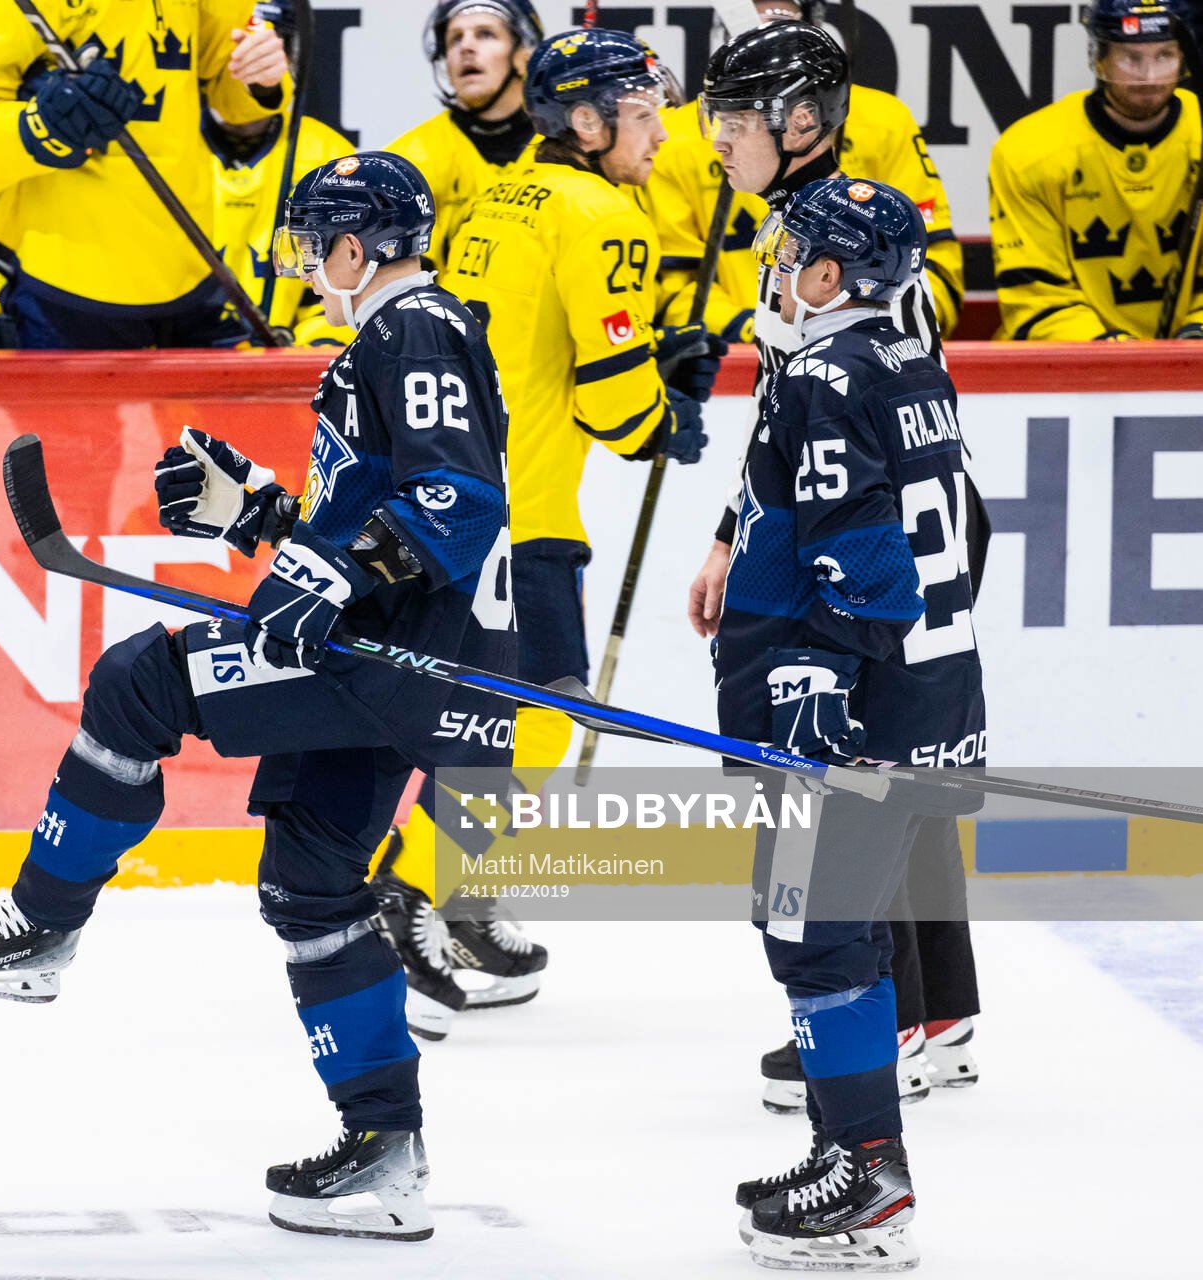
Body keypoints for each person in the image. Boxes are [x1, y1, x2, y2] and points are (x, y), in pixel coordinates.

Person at [0, 151, 517, 1242]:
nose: (301, 265)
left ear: (351, 246)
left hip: (375, 658)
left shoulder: (412, 327)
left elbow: (454, 498)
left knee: (135, 680)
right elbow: (384, 507)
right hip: (375, 646)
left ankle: (38, 926)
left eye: (310, 243)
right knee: (314, 888)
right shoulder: (384, 339)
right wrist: (268, 518)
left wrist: (331, 570)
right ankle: (382, 1148)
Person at [372, 27, 716, 1036]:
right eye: (642, 115)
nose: (660, 134)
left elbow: (545, 341)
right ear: (583, 120)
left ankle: (459, 897)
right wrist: (668, 412)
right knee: (522, 716)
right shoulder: (603, 211)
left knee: (499, 710)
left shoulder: (505, 191)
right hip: (521, 512)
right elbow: (615, 409)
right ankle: (412, 897)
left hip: (456, 495)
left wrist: (657, 356)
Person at [683, 16, 988, 1119]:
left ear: (797, 123)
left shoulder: (846, 244)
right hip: (873, 513)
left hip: (885, 525)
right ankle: (935, 1009)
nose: (712, 138)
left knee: (869, 756)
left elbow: (865, 422)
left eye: (730, 119)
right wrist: (731, 529)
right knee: (893, 761)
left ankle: (896, 1013)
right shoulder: (803, 229)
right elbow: (783, 418)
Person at [718, 176, 985, 1272]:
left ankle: (866, 1172)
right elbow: (965, 522)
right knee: (826, 927)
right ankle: (848, 1147)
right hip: (921, 687)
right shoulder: (910, 362)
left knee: (816, 929)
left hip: (847, 702)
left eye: (791, 254)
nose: (776, 269)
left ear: (828, 275)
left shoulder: (817, 376)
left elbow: (861, 555)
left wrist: (811, 683)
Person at [0, 0, 288, 349]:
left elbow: (235, 95)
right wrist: (40, 127)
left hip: (190, 263)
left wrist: (260, 79)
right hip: (63, 276)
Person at [644, 1, 963, 344]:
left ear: (802, 120)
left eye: (737, 124)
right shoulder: (785, 238)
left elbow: (886, 381)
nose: (719, 142)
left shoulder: (868, 269)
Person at [990, 0, 1203, 340]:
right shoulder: (1029, 150)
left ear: (1185, 56)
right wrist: (1111, 356)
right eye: (1130, 58)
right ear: (1099, 56)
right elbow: (1036, 294)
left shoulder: (1198, 135)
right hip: (1064, 371)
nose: (1149, 77)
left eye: (1165, 55)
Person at [388, 0, 543, 270]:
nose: (466, 47)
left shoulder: (570, 150)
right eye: (454, 39)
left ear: (523, 55)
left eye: (486, 34)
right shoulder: (406, 162)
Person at [204, 99, 356, 346]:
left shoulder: (328, 156)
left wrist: (310, 351)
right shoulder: (165, 149)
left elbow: (347, 291)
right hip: (181, 358)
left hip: (290, 360)